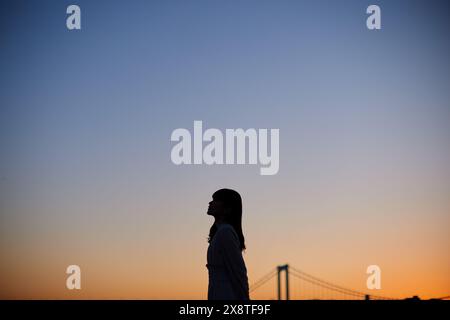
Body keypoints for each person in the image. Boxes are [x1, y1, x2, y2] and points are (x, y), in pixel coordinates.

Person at [206, 188, 250, 300]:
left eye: (216, 200)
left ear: (228, 209)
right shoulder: (220, 233)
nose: (210, 203)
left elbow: (239, 271)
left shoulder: (226, 232)